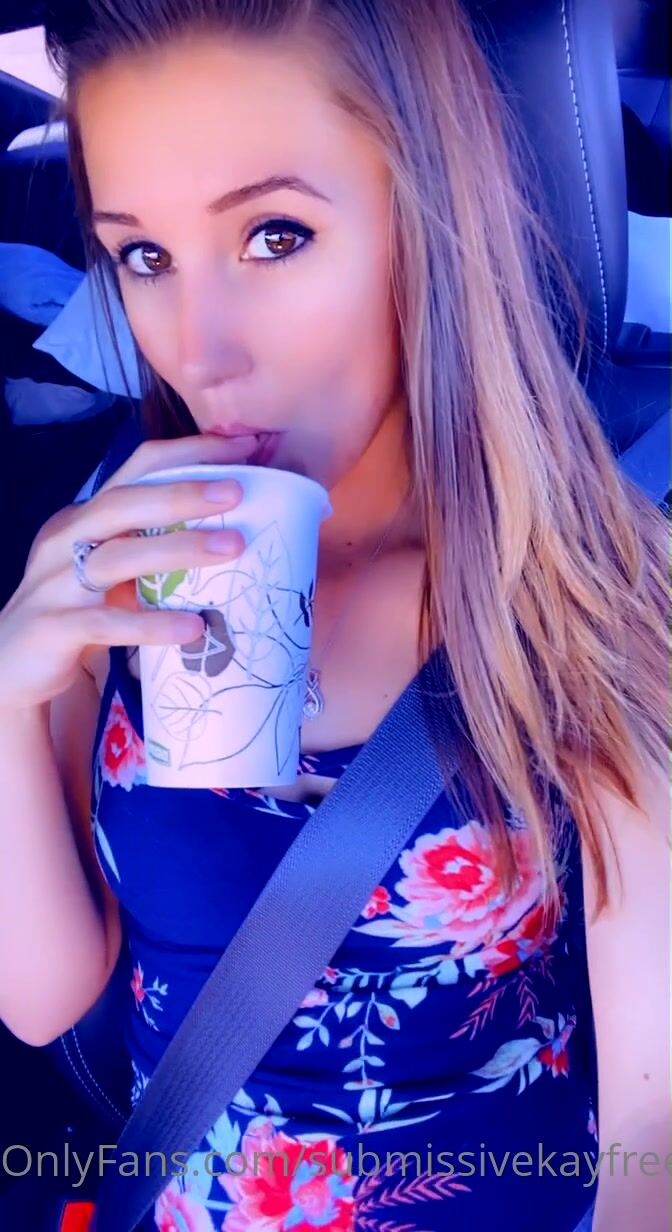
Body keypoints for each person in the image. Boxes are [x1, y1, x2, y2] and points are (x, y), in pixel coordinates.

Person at [0, 2, 669, 1229]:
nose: (200, 349)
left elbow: (654, 1116)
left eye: (275, 235)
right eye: (143, 257)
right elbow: (44, 998)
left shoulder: (588, 590)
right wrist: (5, 699)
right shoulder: (123, 558)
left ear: (429, 223)